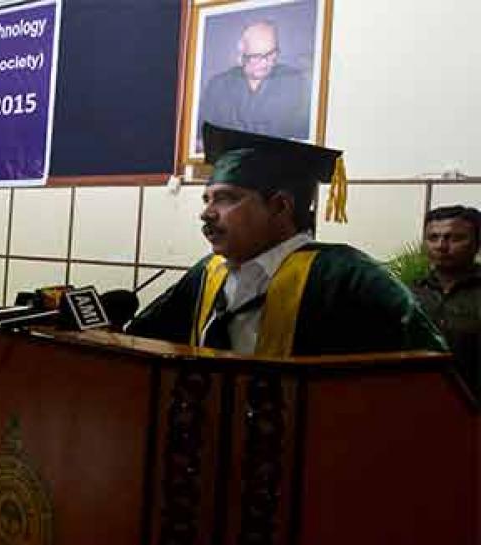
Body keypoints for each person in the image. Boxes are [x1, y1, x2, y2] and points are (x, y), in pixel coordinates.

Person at [128, 123, 446, 356]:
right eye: (207, 200)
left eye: (226, 199)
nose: (207, 214)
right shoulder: (208, 274)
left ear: (280, 206)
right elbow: (141, 341)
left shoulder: (347, 277)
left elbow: (427, 371)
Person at [197, 20, 311, 145]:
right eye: (256, 56)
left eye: (271, 53)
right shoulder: (218, 86)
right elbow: (201, 139)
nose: (265, 62)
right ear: (241, 55)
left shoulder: (294, 82)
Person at [410, 206, 481, 398]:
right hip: (418, 399)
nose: (441, 246)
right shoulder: (410, 294)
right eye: (433, 238)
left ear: (477, 244)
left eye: (456, 238)